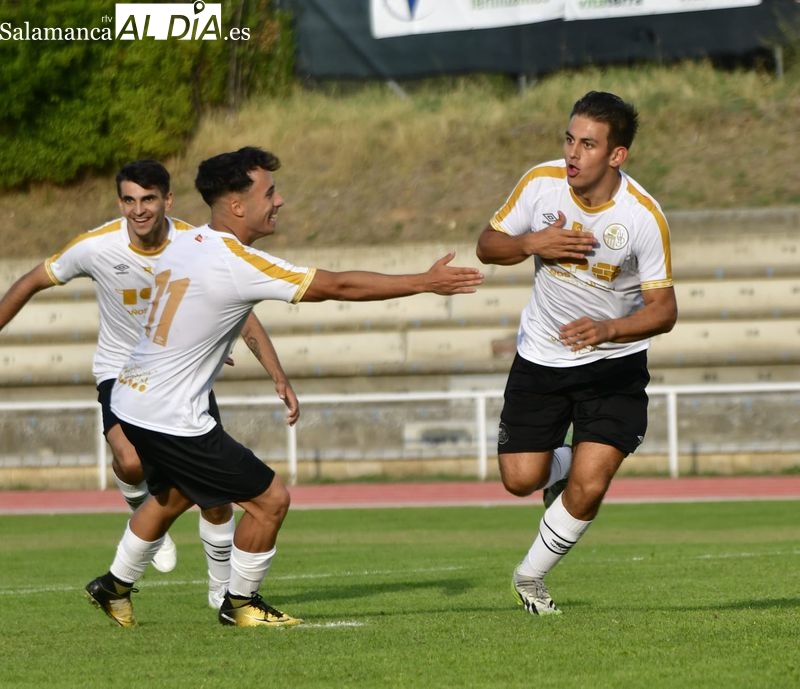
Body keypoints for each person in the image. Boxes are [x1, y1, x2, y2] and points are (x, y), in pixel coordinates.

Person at [84, 145, 484, 628]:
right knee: (271, 500)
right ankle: (240, 604)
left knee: (173, 497)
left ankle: (112, 586)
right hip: (170, 415)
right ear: (236, 205)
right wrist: (423, 281)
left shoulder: (185, 243)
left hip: (132, 402)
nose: (279, 201)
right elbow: (337, 286)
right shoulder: (235, 259)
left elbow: (183, 308)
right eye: (269, 192)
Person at [0, 160, 299, 609]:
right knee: (132, 460)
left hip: (177, 378)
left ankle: (217, 592)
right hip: (120, 372)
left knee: (213, 501)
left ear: (167, 200)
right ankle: (136, 502)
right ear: (120, 202)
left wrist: (275, 371)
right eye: (129, 200)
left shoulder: (192, 243)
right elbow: (32, 280)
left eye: (149, 199)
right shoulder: (96, 247)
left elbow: (240, 309)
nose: (138, 210)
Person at [475, 91, 677, 615]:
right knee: (520, 480)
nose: (572, 153)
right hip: (541, 357)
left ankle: (530, 579)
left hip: (613, 367)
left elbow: (664, 310)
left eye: (588, 144)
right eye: (569, 139)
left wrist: (609, 329)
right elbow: (486, 246)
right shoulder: (541, 183)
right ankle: (559, 463)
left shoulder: (642, 217)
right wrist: (531, 244)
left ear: (616, 156)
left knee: (592, 483)